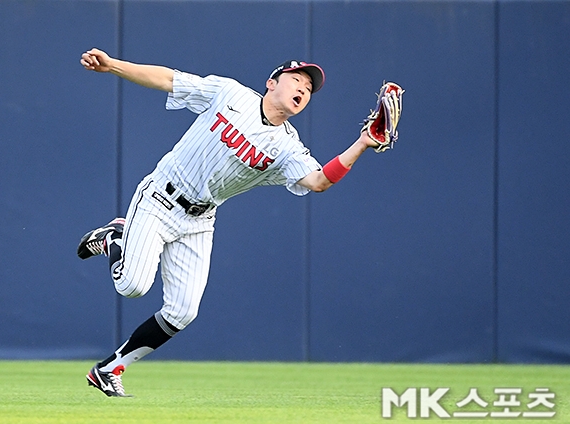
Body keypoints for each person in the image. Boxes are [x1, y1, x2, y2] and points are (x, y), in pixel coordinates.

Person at [78, 48, 379, 397]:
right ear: (271, 83)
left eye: (309, 89)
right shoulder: (230, 93)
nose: (303, 90)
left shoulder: (288, 148)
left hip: (200, 219)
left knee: (183, 312)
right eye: (297, 79)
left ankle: (109, 369)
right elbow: (168, 79)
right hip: (161, 196)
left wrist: (361, 143)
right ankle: (117, 237)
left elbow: (319, 181)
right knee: (131, 286)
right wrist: (113, 65)